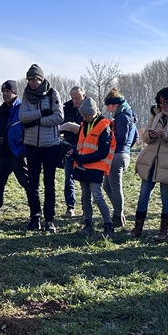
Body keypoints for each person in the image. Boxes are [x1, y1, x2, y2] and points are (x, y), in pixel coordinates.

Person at [130, 87, 168, 241]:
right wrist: (151, 135)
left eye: (166, 102)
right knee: (143, 195)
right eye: (160, 102)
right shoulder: (155, 114)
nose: (163, 105)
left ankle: (164, 231)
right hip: (151, 160)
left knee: (166, 196)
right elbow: (145, 137)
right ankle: (137, 228)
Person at [0, 80, 35, 224]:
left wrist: (23, 151)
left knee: (28, 185)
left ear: (15, 92)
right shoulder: (0, 111)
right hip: (0, 155)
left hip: (16, 155)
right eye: (3, 91)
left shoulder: (22, 109)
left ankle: (35, 214)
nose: (5, 94)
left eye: (8, 91)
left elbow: (27, 131)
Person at [19, 63, 63, 232]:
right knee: (33, 184)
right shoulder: (26, 95)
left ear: (41, 79)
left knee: (49, 184)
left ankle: (49, 219)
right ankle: (35, 217)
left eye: (34, 79)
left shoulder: (52, 94)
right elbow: (23, 117)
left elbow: (59, 117)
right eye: (29, 79)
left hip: (50, 145)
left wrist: (37, 121)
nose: (31, 83)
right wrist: (41, 113)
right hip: (31, 145)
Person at [68, 97, 115, 237]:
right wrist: (73, 151)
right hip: (83, 166)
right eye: (83, 115)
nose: (84, 118)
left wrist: (82, 158)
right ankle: (88, 224)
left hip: (95, 167)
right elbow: (82, 144)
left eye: (87, 115)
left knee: (97, 196)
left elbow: (103, 152)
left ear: (94, 113)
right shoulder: (84, 125)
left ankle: (109, 226)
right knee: (85, 196)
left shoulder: (104, 126)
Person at [103, 88, 137, 228]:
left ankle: (118, 215)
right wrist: (127, 149)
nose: (108, 108)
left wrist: (106, 139)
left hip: (117, 156)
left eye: (109, 105)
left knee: (115, 187)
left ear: (116, 104)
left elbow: (121, 138)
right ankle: (119, 212)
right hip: (124, 155)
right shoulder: (130, 115)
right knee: (107, 186)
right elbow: (136, 137)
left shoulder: (122, 117)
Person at [60, 87, 86, 218]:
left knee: (85, 180)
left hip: (85, 149)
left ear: (84, 96)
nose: (75, 101)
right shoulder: (66, 109)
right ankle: (70, 207)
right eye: (73, 98)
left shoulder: (90, 108)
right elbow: (60, 126)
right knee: (68, 179)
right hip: (68, 148)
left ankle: (86, 208)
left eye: (78, 98)